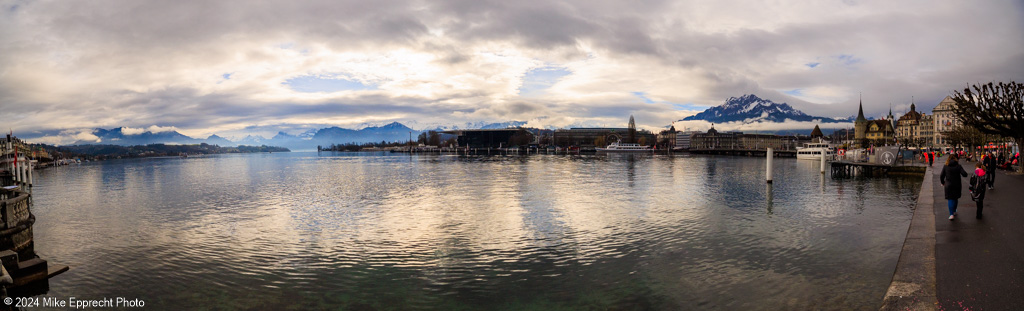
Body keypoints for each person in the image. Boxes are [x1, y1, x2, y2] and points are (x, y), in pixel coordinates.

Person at [940, 154, 968, 220]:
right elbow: (964, 174)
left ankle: (951, 214)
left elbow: (942, 175)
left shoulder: (946, 166)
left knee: (950, 199)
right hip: (957, 184)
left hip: (948, 184)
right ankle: (955, 210)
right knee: (955, 198)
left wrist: (943, 182)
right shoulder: (958, 166)